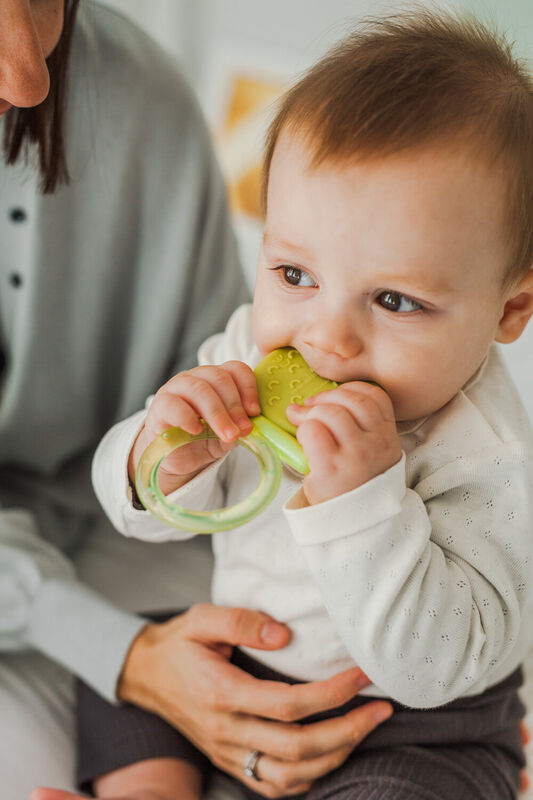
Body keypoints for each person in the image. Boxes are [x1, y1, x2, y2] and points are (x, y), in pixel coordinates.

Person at [58, 9, 533, 800]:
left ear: (509, 310)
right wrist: (166, 452)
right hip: (249, 662)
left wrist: (363, 501)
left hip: (408, 728)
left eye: (392, 299)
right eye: (294, 275)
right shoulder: (254, 348)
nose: (326, 338)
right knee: (112, 677)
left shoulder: (483, 455)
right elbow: (134, 512)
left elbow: (437, 666)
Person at [1, 2, 392, 799]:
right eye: (293, 274)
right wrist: (126, 656)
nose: (27, 76)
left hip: (158, 588)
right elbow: (138, 476)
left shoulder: (145, 102)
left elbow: (206, 440)